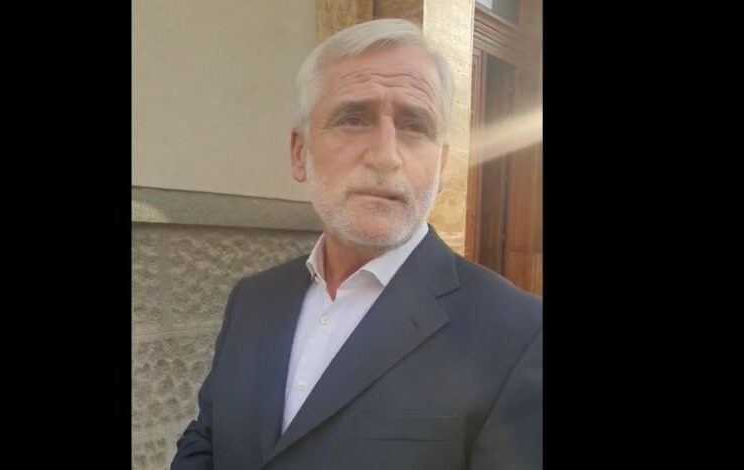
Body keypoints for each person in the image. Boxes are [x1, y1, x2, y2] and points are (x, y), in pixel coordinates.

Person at [171, 18, 542, 470]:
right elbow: (207, 439)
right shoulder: (252, 300)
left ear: (442, 165)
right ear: (299, 154)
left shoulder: (518, 333)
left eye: (414, 125)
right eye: (353, 119)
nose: (385, 156)